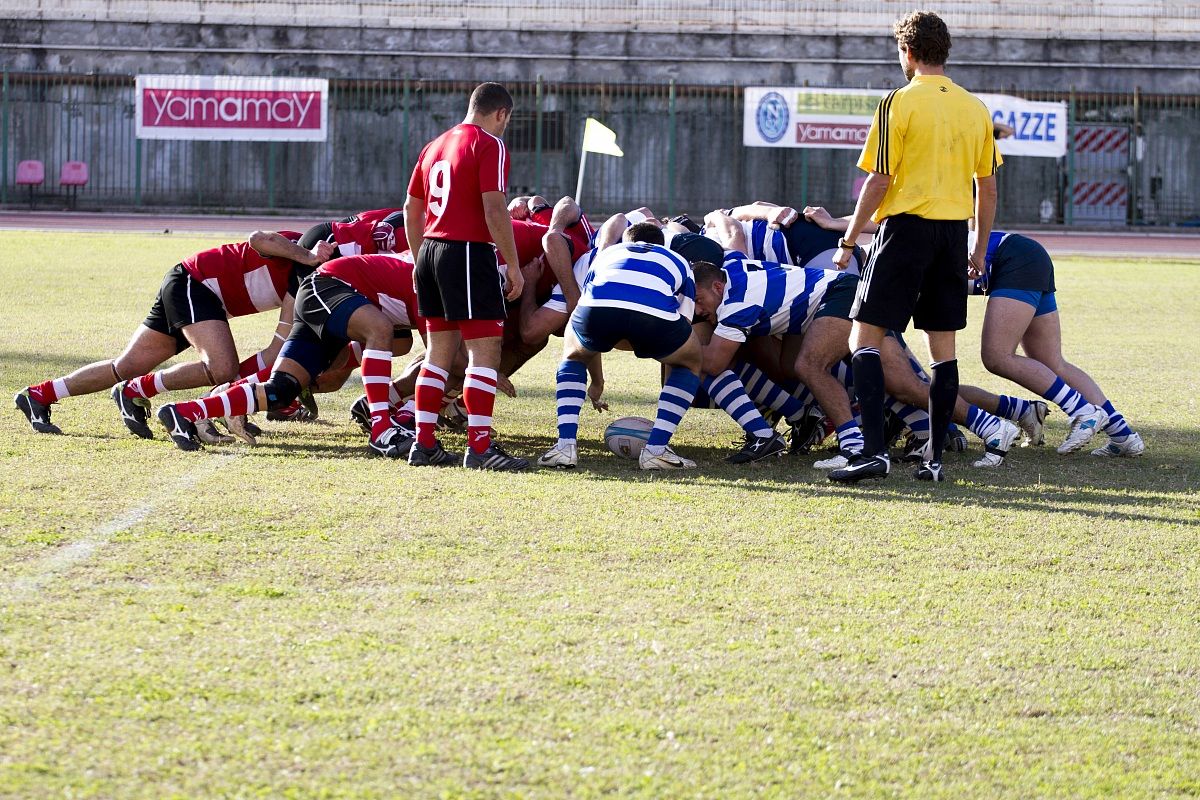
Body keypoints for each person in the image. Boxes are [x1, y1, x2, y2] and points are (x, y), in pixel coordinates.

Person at [827, 10, 1001, 484]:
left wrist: (848, 240)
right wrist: (980, 250)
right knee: (943, 353)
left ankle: (873, 454)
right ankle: (935, 462)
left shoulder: (897, 102)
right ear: (944, 51)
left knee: (862, 339)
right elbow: (986, 187)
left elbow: (879, 180)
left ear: (906, 51)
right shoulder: (975, 108)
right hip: (952, 236)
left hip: (905, 231)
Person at [14, 232, 333, 437]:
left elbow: (278, 348)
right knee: (223, 368)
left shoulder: (315, 275)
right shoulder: (303, 251)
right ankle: (136, 390)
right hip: (195, 285)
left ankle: (39, 395)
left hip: (192, 287)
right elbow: (258, 238)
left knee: (124, 366)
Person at [157, 253, 420, 458]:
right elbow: (441, 359)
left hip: (335, 299)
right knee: (381, 330)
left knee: (281, 391)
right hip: (328, 287)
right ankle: (382, 428)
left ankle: (183, 411)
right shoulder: (442, 282)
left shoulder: (446, 278)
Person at [403, 82, 528, 470]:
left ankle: (424, 444)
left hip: (430, 252)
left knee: (438, 354)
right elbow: (495, 209)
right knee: (484, 352)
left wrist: (418, 255)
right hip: (468, 252)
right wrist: (513, 264)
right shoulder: (489, 144)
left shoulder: (434, 145)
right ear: (502, 113)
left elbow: (411, 208)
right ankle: (480, 448)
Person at [958, 230, 1143, 456]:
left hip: (1011, 259)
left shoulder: (907, 253)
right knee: (1051, 363)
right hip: (1026, 254)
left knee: (997, 357)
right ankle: (1123, 435)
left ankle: (1084, 412)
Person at [537, 223, 702, 471]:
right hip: (653, 317)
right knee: (690, 360)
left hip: (597, 311)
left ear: (625, 241)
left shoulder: (607, 254)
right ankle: (656, 450)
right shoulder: (677, 259)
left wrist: (598, 380)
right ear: (662, 244)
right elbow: (685, 322)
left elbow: (592, 306)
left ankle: (565, 446)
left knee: (573, 354)